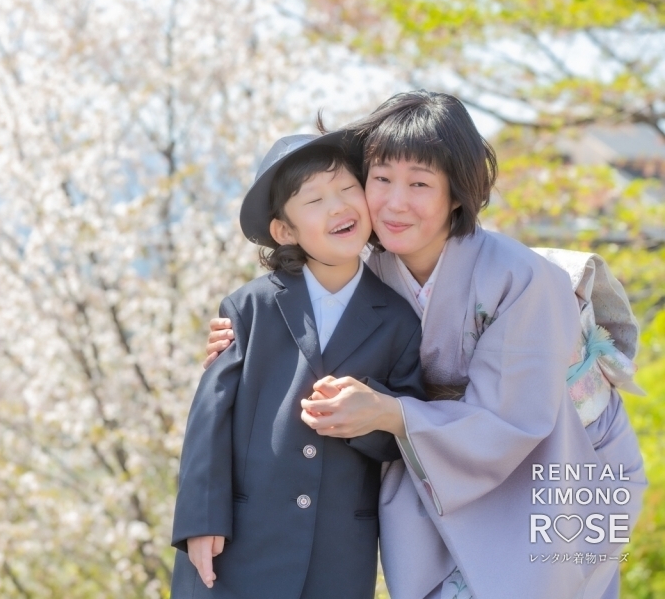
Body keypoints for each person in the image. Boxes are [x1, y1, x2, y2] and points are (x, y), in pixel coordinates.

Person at [203, 91, 646, 599]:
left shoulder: (522, 278)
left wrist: (392, 413)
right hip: (435, 469)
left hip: (559, 465)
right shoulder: (367, 272)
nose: (395, 203)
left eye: (419, 183)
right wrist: (250, 336)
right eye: (381, 179)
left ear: (456, 193)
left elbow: (511, 419)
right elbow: (304, 322)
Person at [171, 131, 426, 598]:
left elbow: (406, 434)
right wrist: (200, 520)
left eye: (347, 188)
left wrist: (366, 417)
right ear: (284, 231)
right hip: (241, 543)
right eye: (314, 199)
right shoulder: (250, 308)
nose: (338, 206)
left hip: (337, 553)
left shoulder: (399, 320)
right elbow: (210, 419)